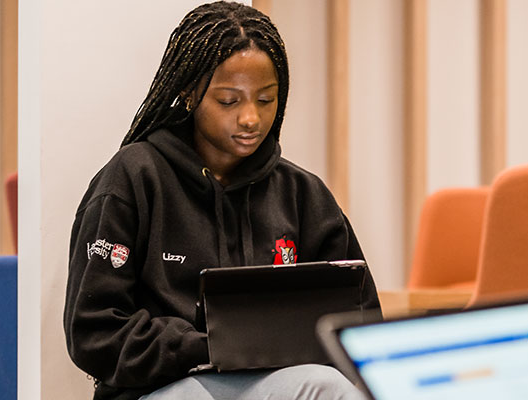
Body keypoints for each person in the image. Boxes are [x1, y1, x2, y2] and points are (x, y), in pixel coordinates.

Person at [63, 2, 379, 399]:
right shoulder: (134, 179)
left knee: (330, 388)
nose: (250, 118)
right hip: (163, 387)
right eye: (230, 100)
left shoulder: (303, 194)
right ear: (189, 92)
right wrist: (209, 345)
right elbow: (93, 332)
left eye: (266, 100)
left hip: (271, 381)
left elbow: (360, 320)